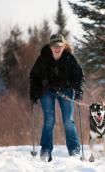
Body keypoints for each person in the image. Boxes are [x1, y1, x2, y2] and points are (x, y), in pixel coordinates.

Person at [29, 34, 84, 162]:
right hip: (47, 90)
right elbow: (34, 76)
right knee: (49, 120)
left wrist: (78, 90)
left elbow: (79, 76)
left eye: (59, 45)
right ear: (50, 47)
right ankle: (46, 151)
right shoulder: (43, 58)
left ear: (64, 46)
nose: (57, 48)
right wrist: (34, 93)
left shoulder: (70, 58)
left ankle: (74, 151)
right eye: (54, 46)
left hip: (65, 90)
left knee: (68, 120)